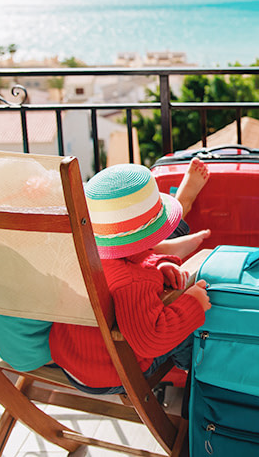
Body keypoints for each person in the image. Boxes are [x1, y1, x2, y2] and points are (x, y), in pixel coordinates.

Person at [48, 160, 212, 393]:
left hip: (70, 360)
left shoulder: (83, 255)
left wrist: (160, 265)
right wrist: (192, 303)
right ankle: (203, 380)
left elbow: (130, 261)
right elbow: (151, 340)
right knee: (189, 332)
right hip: (111, 372)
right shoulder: (133, 282)